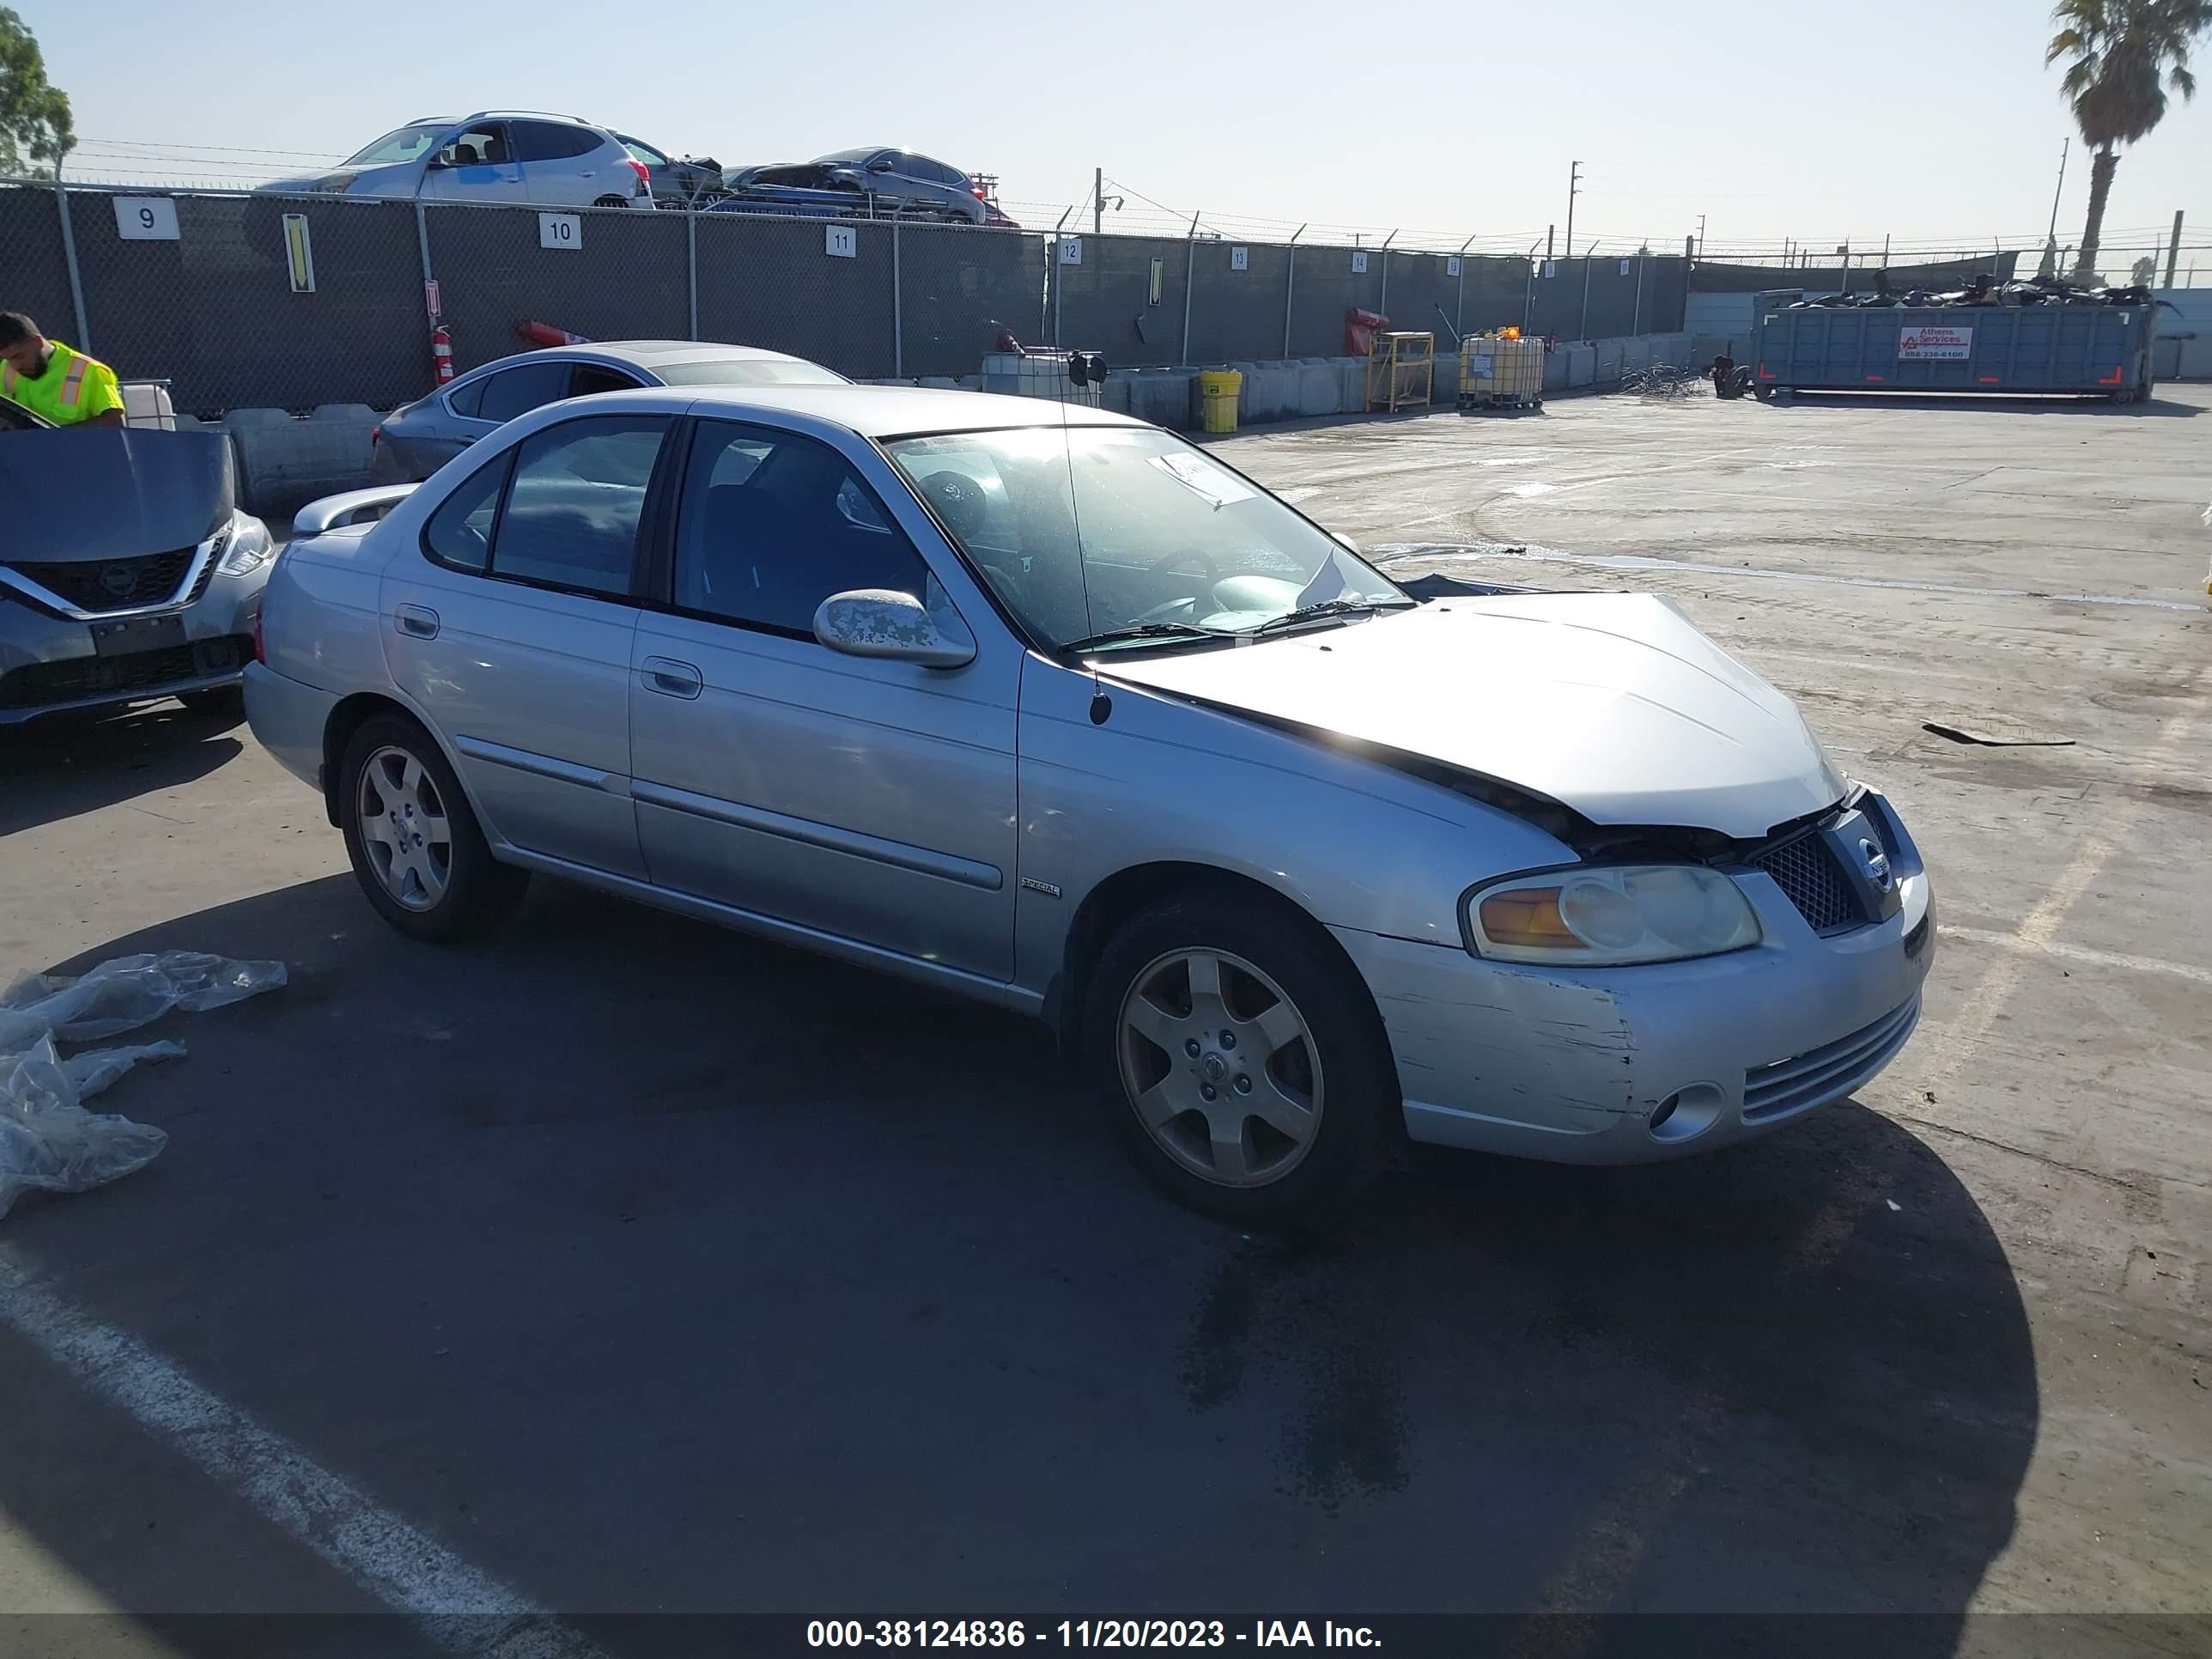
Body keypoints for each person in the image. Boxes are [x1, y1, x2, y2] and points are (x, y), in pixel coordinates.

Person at [0, 312, 125, 428]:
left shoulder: (90, 370)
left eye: (19, 356)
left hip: (75, 450)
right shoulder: (5, 369)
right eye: (8, 359)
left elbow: (113, 422)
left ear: (37, 341)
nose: (15, 366)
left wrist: (58, 437)